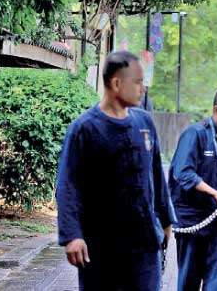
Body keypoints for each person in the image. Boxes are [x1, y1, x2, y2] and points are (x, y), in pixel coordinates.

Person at [56, 51, 176, 290]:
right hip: (101, 249)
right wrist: (72, 236)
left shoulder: (144, 123)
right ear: (116, 83)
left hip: (144, 245)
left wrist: (166, 220)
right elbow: (67, 186)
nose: (143, 88)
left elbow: (155, 177)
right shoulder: (85, 129)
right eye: (138, 82)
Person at [169, 87, 217, 291]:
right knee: (190, 280)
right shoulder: (195, 134)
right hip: (193, 220)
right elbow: (182, 173)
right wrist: (213, 192)